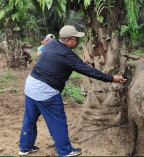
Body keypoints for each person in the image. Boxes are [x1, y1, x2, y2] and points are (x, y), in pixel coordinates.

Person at [18, 25, 126, 156]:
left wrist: (79, 61)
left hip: (31, 85)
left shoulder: (52, 44)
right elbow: (89, 71)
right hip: (45, 91)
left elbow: (60, 57)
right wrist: (111, 78)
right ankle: (65, 151)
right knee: (58, 122)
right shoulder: (66, 54)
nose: (78, 42)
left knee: (29, 119)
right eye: (76, 39)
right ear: (68, 40)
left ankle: (25, 147)